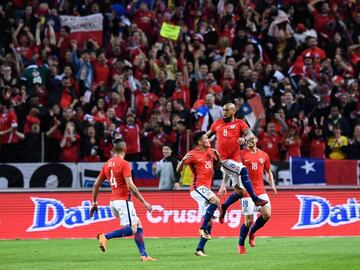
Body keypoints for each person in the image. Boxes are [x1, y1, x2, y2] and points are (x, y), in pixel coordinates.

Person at [90, 139, 157, 261]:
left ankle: (144, 255)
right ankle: (105, 236)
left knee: (138, 225)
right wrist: (144, 202)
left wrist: (94, 203)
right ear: (125, 149)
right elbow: (131, 185)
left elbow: (95, 185)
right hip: (123, 201)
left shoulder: (106, 164)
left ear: (114, 150)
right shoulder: (124, 163)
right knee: (132, 229)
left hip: (113, 202)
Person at [206, 103, 267, 224]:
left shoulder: (239, 123)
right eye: (223, 110)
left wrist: (244, 139)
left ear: (233, 111)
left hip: (235, 162)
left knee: (241, 192)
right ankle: (255, 198)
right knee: (244, 170)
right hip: (223, 160)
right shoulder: (217, 123)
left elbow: (250, 135)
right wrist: (204, 144)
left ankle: (223, 207)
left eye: (227, 110)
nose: (224, 112)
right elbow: (207, 136)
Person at [176, 131, 221, 257]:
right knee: (216, 201)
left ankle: (199, 249)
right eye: (206, 138)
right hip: (197, 187)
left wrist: (218, 157)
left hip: (205, 189)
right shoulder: (191, 154)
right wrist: (182, 162)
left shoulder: (211, 151)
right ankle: (202, 228)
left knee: (210, 222)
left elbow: (217, 167)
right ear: (200, 142)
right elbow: (178, 170)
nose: (209, 139)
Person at [238, 136, 277, 255]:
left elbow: (268, 171)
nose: (250, 141)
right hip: (246, 192)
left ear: (256, 140)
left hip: (261, 190)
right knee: (248, 221)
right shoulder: (241, 154)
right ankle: (241, 244)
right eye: (247, 139)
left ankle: (252, 233)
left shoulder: (264, 155)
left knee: (267, 214)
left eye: (252, 139)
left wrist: (272, 184)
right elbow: (233, 168)